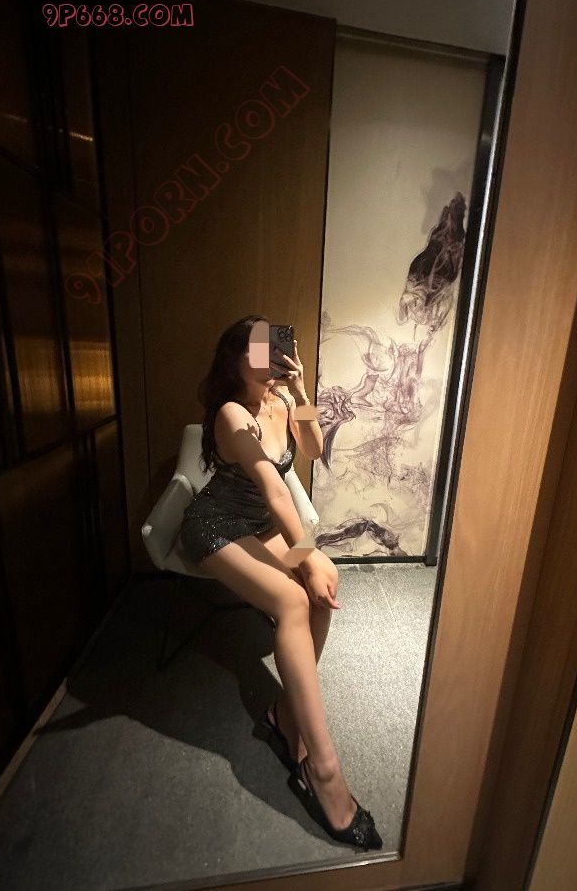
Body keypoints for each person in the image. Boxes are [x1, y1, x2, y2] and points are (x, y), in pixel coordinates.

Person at [179, 314, 382, 851]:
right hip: (218, 527)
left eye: (275, 348)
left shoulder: (281, 399)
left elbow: (312, 450)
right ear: (235, 359)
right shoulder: (232, 413)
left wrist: (301, 393)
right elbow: (274, 492)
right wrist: (306, 556)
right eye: (259, 350)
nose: (271, 359)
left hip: (259, 526)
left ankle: (285, 713)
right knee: (293, 599)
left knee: (323, 584)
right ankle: (323, 767)